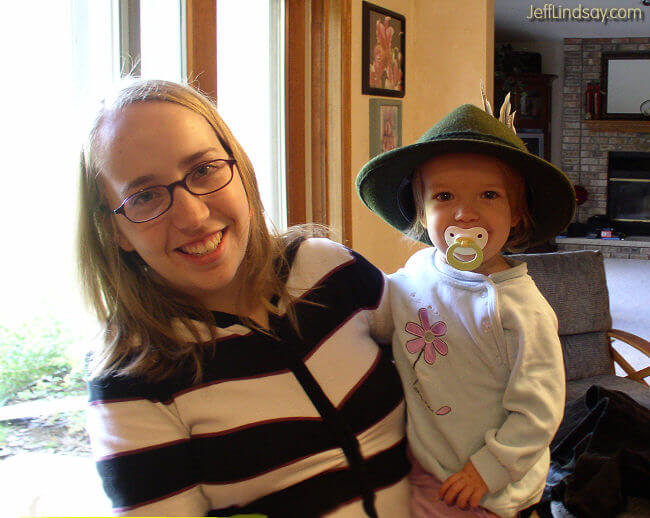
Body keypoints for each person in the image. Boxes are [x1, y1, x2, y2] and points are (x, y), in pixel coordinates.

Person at [78, 79, 410, 517]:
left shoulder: (330, 271)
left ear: (240, 167)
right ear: (116, 230)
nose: (194, 216)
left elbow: (437, 357)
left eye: (203, 170)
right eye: (144, 196)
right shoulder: (134, 376)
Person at [356, 102, 576, 517]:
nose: (465, 213)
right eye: (444, 196)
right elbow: (386, 315)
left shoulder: (520, 310)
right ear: (422, 212)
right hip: (425, 461)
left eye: (489, 195)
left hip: (488, 487)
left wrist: (488, 469)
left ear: (516, 213)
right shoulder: (419, 270)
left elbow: (538, 411)